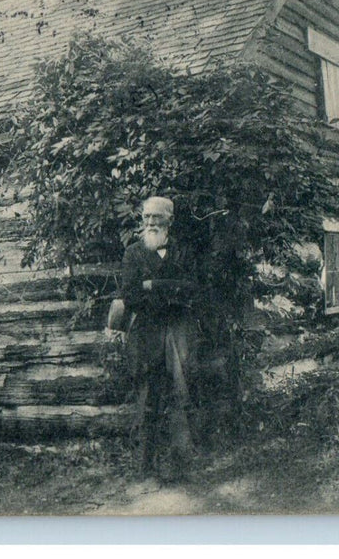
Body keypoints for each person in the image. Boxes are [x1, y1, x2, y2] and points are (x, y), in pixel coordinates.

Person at [116, 196, 199, 480]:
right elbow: (130, 296)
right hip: (147, 334)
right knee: (147, 400)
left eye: (156, 218)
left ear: (170, 221)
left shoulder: (184, 251)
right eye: (146, 218)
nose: (150, 223)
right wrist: (169, 292)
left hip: (178, 331)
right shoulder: (133, 253)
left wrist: (153, 284)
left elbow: (191, 289)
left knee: (181, 394)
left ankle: (181, 466)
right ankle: (144, 467)